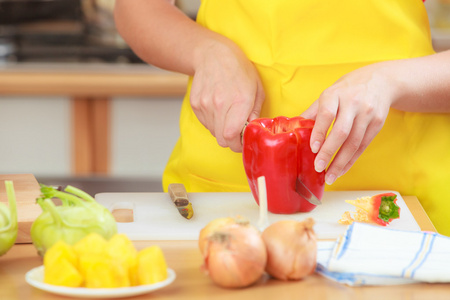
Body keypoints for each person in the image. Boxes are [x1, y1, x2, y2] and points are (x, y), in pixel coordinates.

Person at [114, 0, 450, 236]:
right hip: (220, 200)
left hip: (399, 207)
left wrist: (391, 81)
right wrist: (207, 52)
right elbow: (137, 8)